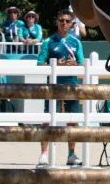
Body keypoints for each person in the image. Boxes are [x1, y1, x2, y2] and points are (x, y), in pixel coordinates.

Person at [36, 9, 84, 167]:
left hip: (72, 86)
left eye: (67, 21)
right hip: (52, 87)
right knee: (47, 120)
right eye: (61, 20)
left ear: (71, 24)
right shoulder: (48, 42)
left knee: (73, 121)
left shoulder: (76, 42)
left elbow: (82, 64)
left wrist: (74, 64)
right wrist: (57, 65)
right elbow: (40, 64)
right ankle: (44, 154)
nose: (64, 23)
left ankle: (71, 154)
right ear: (56, 21)